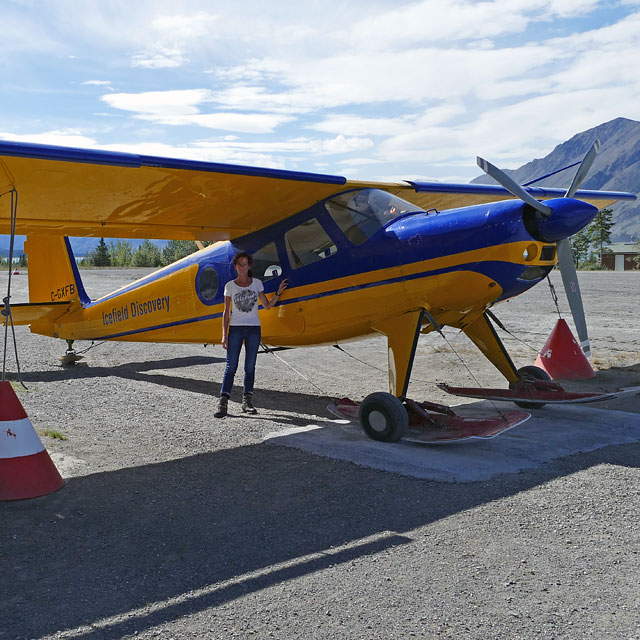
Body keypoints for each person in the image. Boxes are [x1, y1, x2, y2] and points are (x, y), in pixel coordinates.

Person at [215, 251, 288, 418]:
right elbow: (226, 313)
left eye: (245, 264)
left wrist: (278, 293)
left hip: (254, 329)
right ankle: (223, 402)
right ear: (235, 267)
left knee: (250, 367)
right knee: (230, 366)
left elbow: (267, 305)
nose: (242, 267)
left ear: (249, 267)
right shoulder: (230, 286)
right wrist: (224, 335)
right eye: (239, 264)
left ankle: (247, 402)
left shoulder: (257, 284)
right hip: (236, 329)